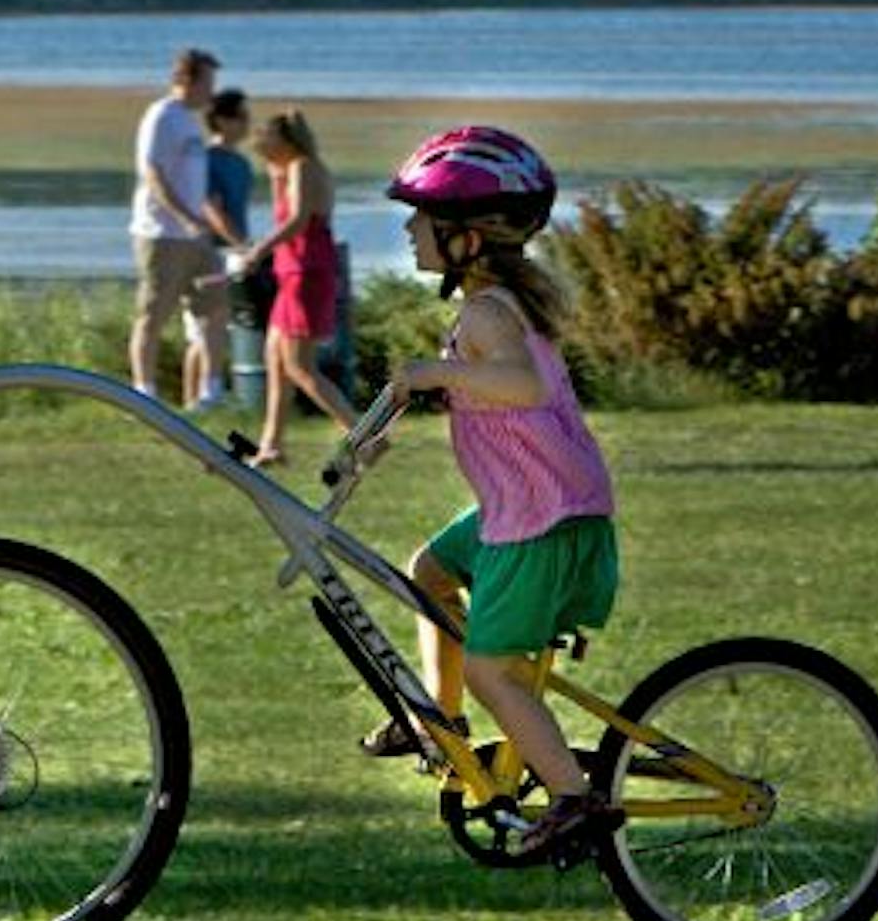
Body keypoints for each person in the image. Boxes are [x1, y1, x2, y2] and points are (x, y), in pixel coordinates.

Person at [364, 125, 622, 863]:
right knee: (431, 571)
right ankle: (437, 725)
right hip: (532, 504)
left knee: (490, 670)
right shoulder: (492, 304)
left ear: (467, 236)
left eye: (421, 218)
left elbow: (523, 385)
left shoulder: (487, 312)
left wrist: (436, 373)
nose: (410, 229)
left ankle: (574, 797)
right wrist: (372, 438)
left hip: (540, 519)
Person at [238, 109, 357, 464]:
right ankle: (271, 445)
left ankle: (363, 433)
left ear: (285, 141)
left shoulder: (304, 166)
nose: (265, 155)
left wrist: (259, 250)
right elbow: (285, 214)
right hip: (292, 273)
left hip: (306, 273)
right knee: (275, 359)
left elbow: (297, 220)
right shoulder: (293, 170)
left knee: (301, 367)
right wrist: (276, 179)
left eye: (268, 147)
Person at [128, 48, 232, 407]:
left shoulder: (190, 121)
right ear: (187, 80)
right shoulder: (162, 116)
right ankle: (145, 392)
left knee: (215, 308)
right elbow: (153, 173)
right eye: (208, 82)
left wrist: (206, 221)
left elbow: (193, 182)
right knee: (154, 313)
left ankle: (211, 391)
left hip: (197, 237)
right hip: (161, 235)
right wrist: (184, 217)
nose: (212, 92)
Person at [180, 88, 256, 409]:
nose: (247, 123)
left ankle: (201, 399)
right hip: (205, 251)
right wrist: (240, 244)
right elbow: (211, 208)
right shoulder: (206, 159)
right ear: (222, 121)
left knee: (218, 329)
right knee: (203, 329)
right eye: (241, 117)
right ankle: (195, 400)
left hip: (233, 251)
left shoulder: (240, 162)